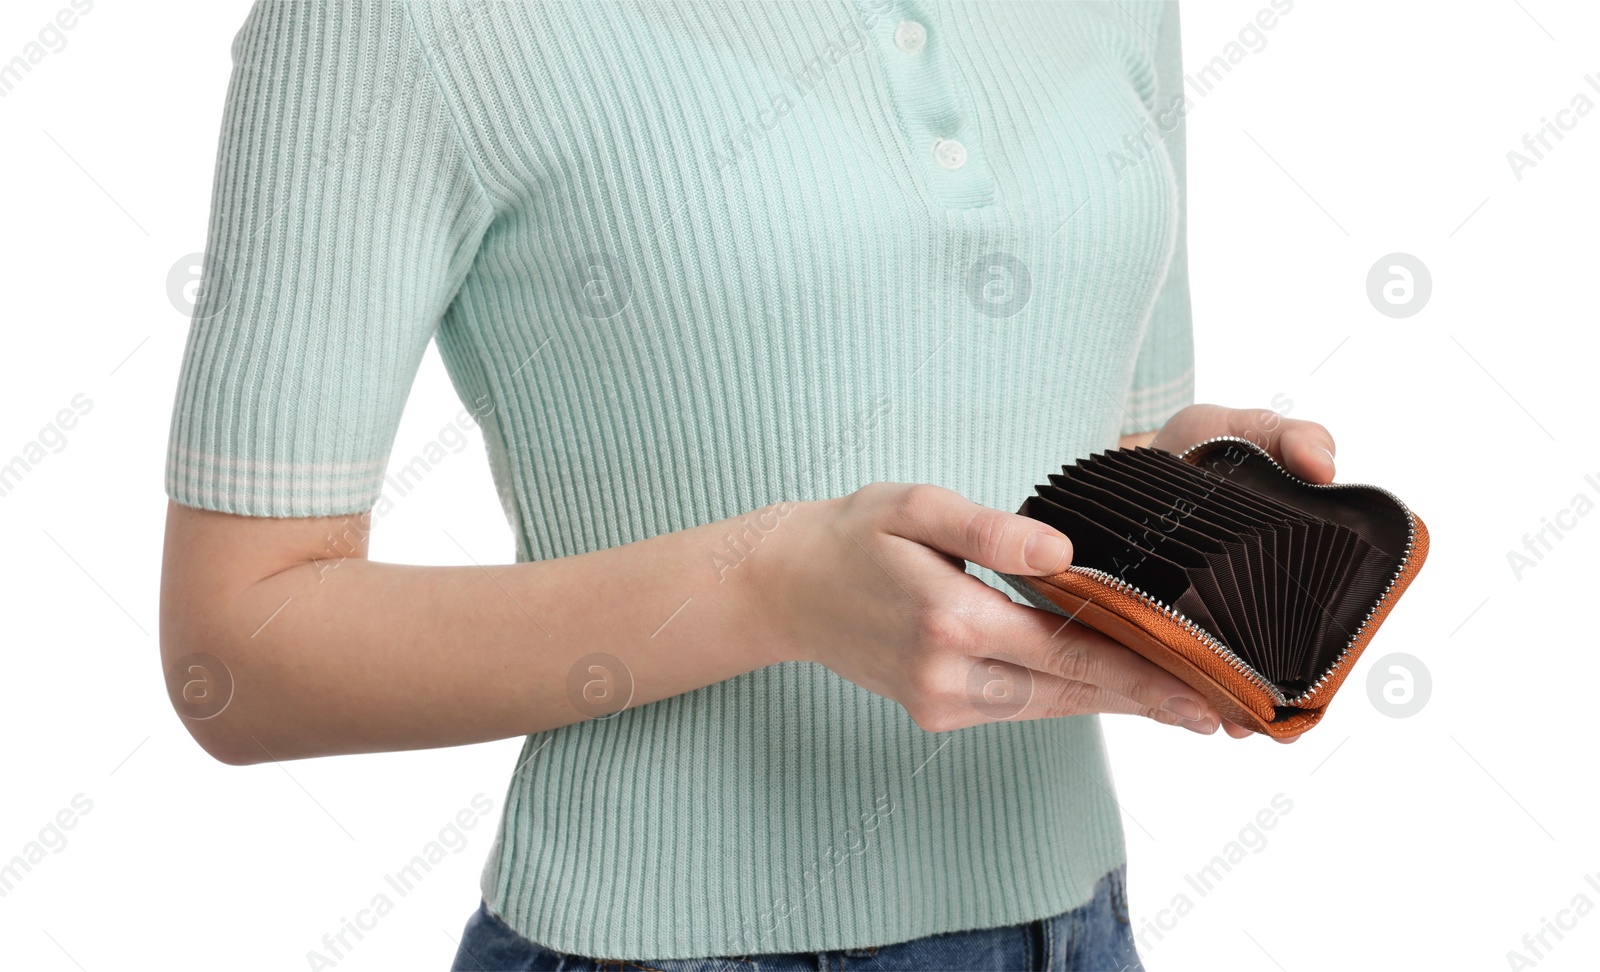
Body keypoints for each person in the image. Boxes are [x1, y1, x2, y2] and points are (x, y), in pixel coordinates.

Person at [159, 2, 1335, 969]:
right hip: (658, 949)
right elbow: (233, 652)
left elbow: (1105, 447)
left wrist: (1212, 497)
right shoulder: (396, 22)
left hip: (1078, 923)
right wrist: (766, 589)